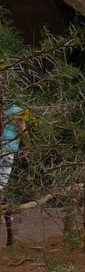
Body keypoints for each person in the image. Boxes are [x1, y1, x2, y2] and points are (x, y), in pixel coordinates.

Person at [1, 96, 26, 246]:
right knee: (2, 185)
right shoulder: (18, 110)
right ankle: (9, 227)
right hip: (8, 149)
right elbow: (23, 130)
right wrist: (28, 148)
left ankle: (9, 231)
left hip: (4, 148)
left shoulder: (4, 110)